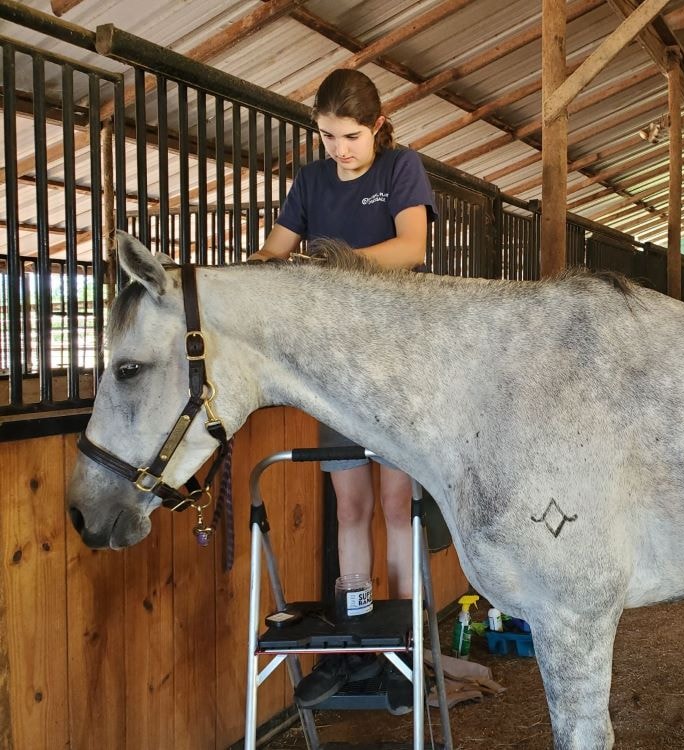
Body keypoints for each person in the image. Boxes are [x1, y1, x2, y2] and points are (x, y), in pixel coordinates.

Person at [249, 68, 437, 709]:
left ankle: (405, 649)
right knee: (350, 508)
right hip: (338, 374)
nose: (339, 149)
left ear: (377, 127)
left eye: (351, 136)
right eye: (327, 136)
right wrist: (251, 276)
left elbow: (412, 248)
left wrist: (328, 266)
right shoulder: (310, 181)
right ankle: (357, 644)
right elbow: (275, 253)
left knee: (395, 505)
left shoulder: (401, 169)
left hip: (398, 363)